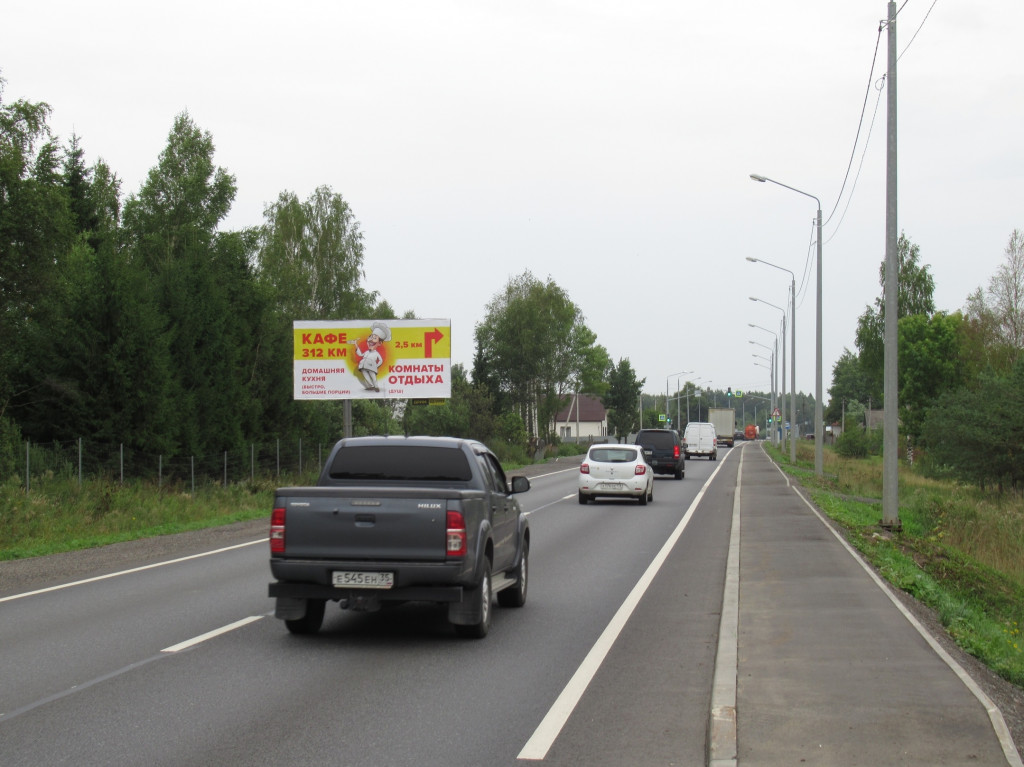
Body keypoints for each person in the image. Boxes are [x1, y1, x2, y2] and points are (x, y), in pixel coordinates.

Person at [350, 321, 391, 392]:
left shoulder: (376, 353)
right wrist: (356, 344)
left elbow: (380, 360)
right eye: (370, 337)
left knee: (373, 376)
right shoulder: (366, 352)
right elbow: (360, 354)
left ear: (380, 343)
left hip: (371, 366)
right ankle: (371, 386)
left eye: (374, 338)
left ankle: (376, 387)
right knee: (366, 376)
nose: (371, 340)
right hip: (363, 366)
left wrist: (376, 365)